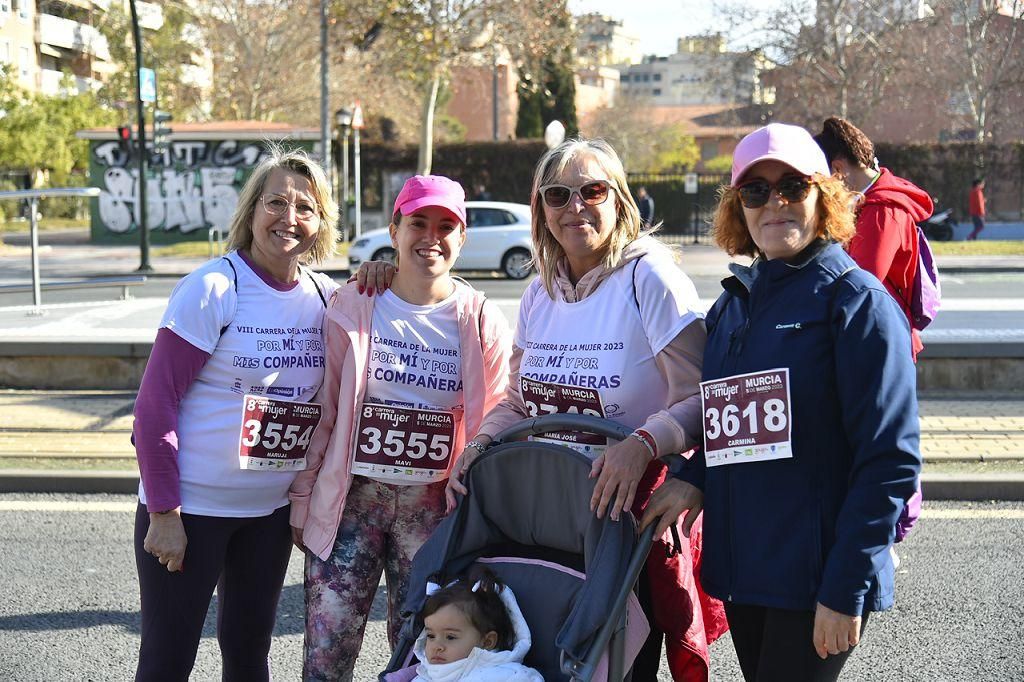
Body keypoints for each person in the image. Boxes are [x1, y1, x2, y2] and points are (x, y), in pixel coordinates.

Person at [642, 123, 921, 682]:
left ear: (824, 195)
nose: (776, 203)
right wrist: (696, 474)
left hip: (817, 580)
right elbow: (736, 427)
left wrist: (846, 588)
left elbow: (890, 462)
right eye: (756, 191)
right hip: (747, 573)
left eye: (793, 186)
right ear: (738, 207)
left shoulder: (857, 303)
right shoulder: (732, 307)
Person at [447, 138, 728, 681]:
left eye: (592, 191)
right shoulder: (539, 293)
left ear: (619, 199)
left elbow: (702, 396)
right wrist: (477, 446)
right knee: (563, 658)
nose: (575, 206)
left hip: (631, 512)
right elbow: (517, 401)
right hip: (557, 512)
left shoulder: (650, 278)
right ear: (542, 211)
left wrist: (642, 443)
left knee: (622, 663)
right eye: (558, 195)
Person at [288, 174, 512, 680]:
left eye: (445, 226)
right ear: (394, 230)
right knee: (327, 652)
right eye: (418, 223)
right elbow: (325, 410)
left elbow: (497, 419)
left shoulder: (481, 320)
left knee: (421, 656)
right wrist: (303, 499)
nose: (430, 237)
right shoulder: (355, 303)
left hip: (434, 512)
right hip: (351, 502)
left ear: (462, 239)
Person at [132, 147, 339, 681]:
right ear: (250, 210)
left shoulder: (325, 297)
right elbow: (155, 408)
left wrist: (383, 270)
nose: (288, 219)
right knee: (167, 660)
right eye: (275, 203)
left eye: (305, 207)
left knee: (249, 656)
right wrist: (164, 513)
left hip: (266, 517)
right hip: (191, 512)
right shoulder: (213, 288)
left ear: (321, 224)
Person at [814, 116, 933, 361]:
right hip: (877, 332)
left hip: (880, 338)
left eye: (820, 181)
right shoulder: (872, 203)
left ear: (837, 170)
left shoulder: (882, 212)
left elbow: (860, 283)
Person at [410, 567, 543, 681]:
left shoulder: (508, 676)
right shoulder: (425, 674)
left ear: (487, 642)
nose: (436, 646)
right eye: (431, 636)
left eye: (450, 637)